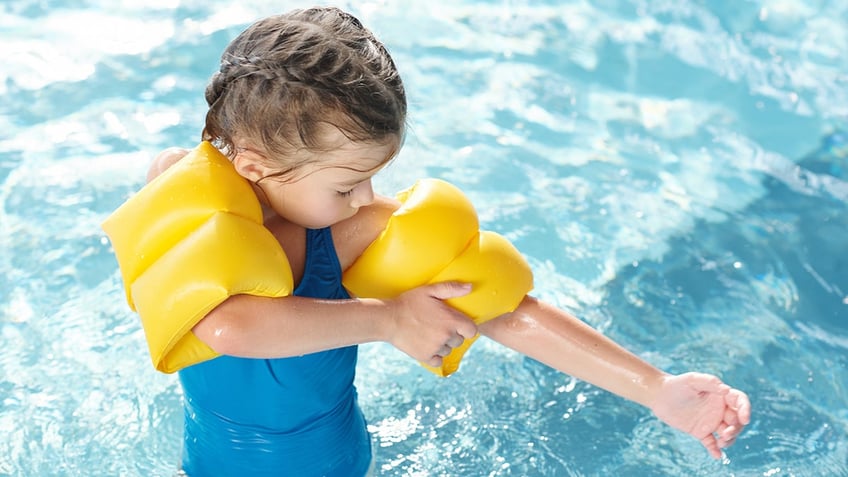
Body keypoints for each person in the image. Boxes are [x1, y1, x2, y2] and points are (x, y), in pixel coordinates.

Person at [137, 6, 750, 476]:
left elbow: (504, 309)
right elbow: (226, 326)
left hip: (335, 462)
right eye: (347, 183)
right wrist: (387, 321)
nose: (366, 196)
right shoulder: (181, 194)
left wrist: (659, 390)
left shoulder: (354, 231)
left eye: (372, 176)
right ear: (249, 165)